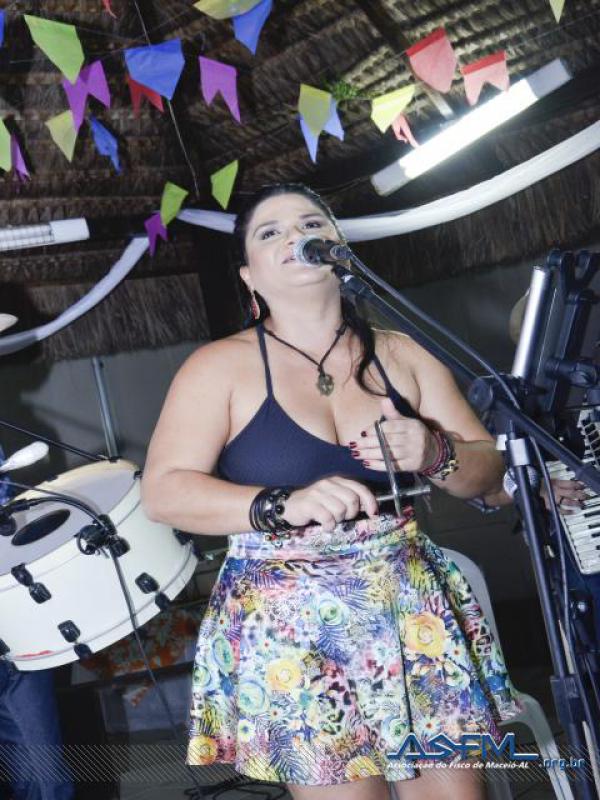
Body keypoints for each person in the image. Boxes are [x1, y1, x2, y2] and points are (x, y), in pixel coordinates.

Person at [142, 183, 523, 800]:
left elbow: (493, 478)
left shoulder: (402, 354)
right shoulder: (217, 367)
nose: (297, 236)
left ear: (339, 248)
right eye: (271, 232)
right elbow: (164, 493)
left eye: (311, 224)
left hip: (409, 610)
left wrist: (436, 452)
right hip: (291, 627)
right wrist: (280, 505)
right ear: (249, 277)